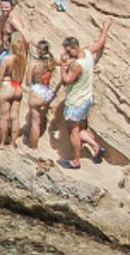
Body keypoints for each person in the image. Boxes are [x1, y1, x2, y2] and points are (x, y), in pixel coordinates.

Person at [57, 17, 113, 168]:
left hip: (75, 102)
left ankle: (75, 161)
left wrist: (62, 65)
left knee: (73, 132)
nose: (67, 53)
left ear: (75, 48)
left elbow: (67, 80)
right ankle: (97, 147)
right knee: (80, 128)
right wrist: (106, 26)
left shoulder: (77, 65)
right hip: (86, 99)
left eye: (68, 51)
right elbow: (100, 43)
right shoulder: (88, 53)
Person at [0, 33, 30, 147]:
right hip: (17, 87)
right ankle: (13, 143)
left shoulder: (6, 59)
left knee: (4, 117)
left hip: (7, 86)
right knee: (15, 117)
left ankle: (2, 143)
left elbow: (0, 77)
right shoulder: (23, 58)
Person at [21, 40, 58, 152]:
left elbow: (28, 82)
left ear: (38, 50)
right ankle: (36, 139)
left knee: (34, 122)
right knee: (41, 118)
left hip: (37, 91)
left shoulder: (34, 63)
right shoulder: (51, 61)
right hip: (47, 91)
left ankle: (33, 146)